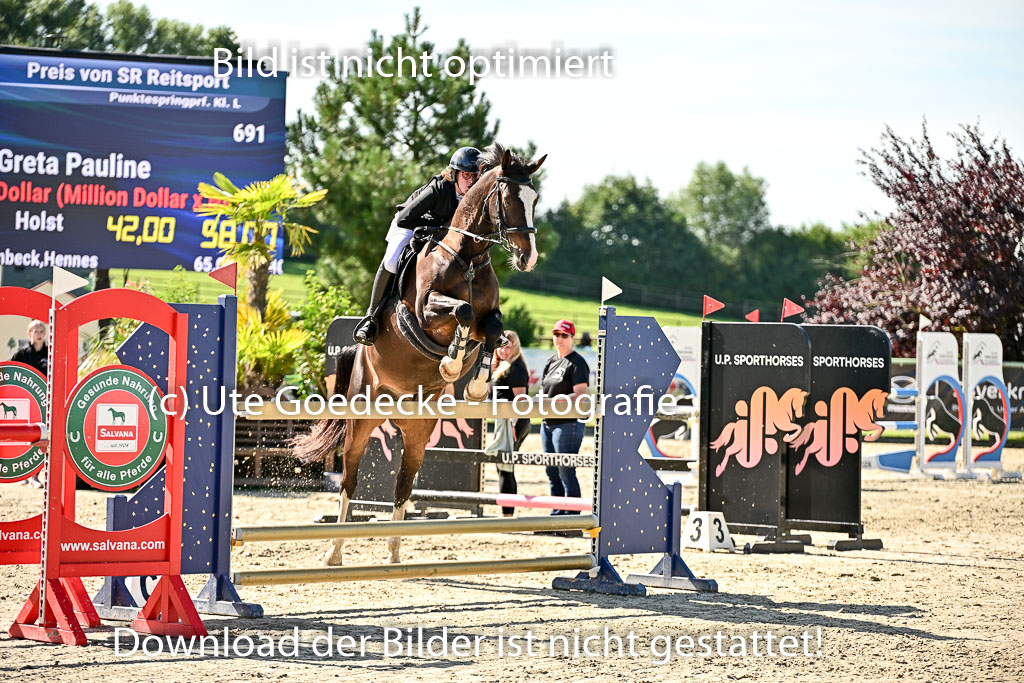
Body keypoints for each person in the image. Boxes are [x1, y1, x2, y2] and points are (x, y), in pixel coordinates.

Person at [353, 146, 482, 345]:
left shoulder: (472, 198)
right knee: (392, 259)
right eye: (467, 175)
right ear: (455, 173)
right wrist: (435, 228)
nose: (472, 181)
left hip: (437, 234)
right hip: (408, 225)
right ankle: (371, 318)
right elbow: (405, 218)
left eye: (476, 176)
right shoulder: (438, 188)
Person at [540, 319, 589, 513]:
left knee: (565, 470)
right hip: (548, 422)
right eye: (556, 334)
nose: (559, 338)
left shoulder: (577, 363)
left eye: (564, 335)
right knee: (551, 470)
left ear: (572, 338)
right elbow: (544, 391)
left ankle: (573, 515)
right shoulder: (551, 361)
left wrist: (553, 402)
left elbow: (580, 395)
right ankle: (557, 512)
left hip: (568, 423)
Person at [487, 331, 530, 517]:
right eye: (501, 345)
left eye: (508, 346)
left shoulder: (516, 368)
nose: (504, 350)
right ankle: (507, 512)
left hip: (513, 422)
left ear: (515, 347)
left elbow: (521, 400)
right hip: (503, 422)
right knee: (503, 466)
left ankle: (507, 515)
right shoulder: (501, 365)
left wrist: (513, 424)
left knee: (505, 466)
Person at [11, 320, 47, 488]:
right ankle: (23, 474)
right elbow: (10, 372)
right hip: (25, 403)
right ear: (29, 333)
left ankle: (35, 476)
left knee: (41, 437)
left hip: (44, 403)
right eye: (35, 330)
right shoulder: (21, 354)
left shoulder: (50, 353)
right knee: (24, 435)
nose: (38, 333)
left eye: (41, 330)